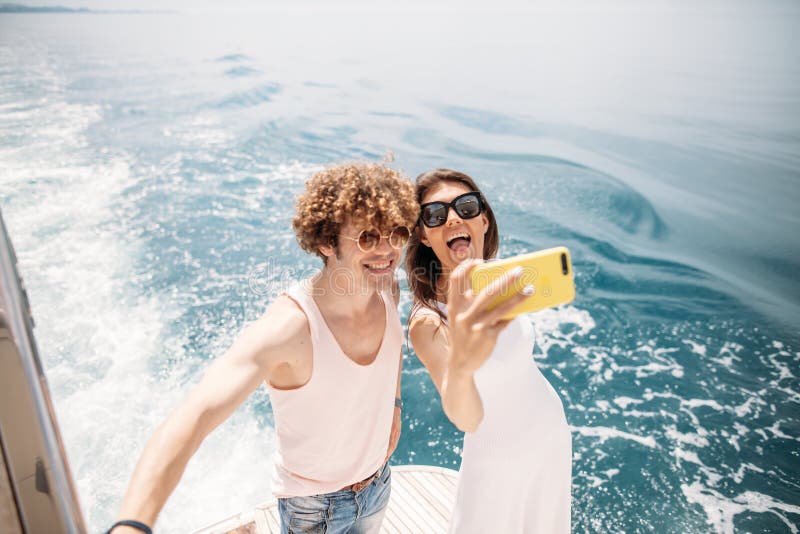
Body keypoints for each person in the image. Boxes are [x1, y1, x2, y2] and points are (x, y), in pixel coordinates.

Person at [107, 163, 419, 534]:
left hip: (378, 484)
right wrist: (132, 524)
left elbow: (394, 350)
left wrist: (395, 405)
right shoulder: (288, 329)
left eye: (397, 233)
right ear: (325, 242)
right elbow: (193, 418)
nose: (387, 251)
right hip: (315, 510)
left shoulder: (387, 291)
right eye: (368, 237)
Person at [406, 169, 572, 533]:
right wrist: (463, 366)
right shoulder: (429, 322)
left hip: (551, 440)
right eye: (435, 214)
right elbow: (464, 416)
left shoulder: (500, 279)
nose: (453, 218)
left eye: (466, 207)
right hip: (499, 461)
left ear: (482, 220)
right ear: (424, 234)